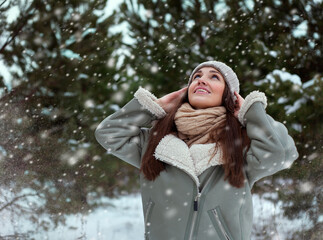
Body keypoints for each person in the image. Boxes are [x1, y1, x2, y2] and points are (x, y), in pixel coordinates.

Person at [95, 61, 298, 240]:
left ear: (230, 96)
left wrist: (250, 113)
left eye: (214, 77)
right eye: (196, 77)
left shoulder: (240, 145)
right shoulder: (156, 142)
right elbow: (108, 133)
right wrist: (153, 107)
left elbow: (280, 154)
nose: (201, 80)